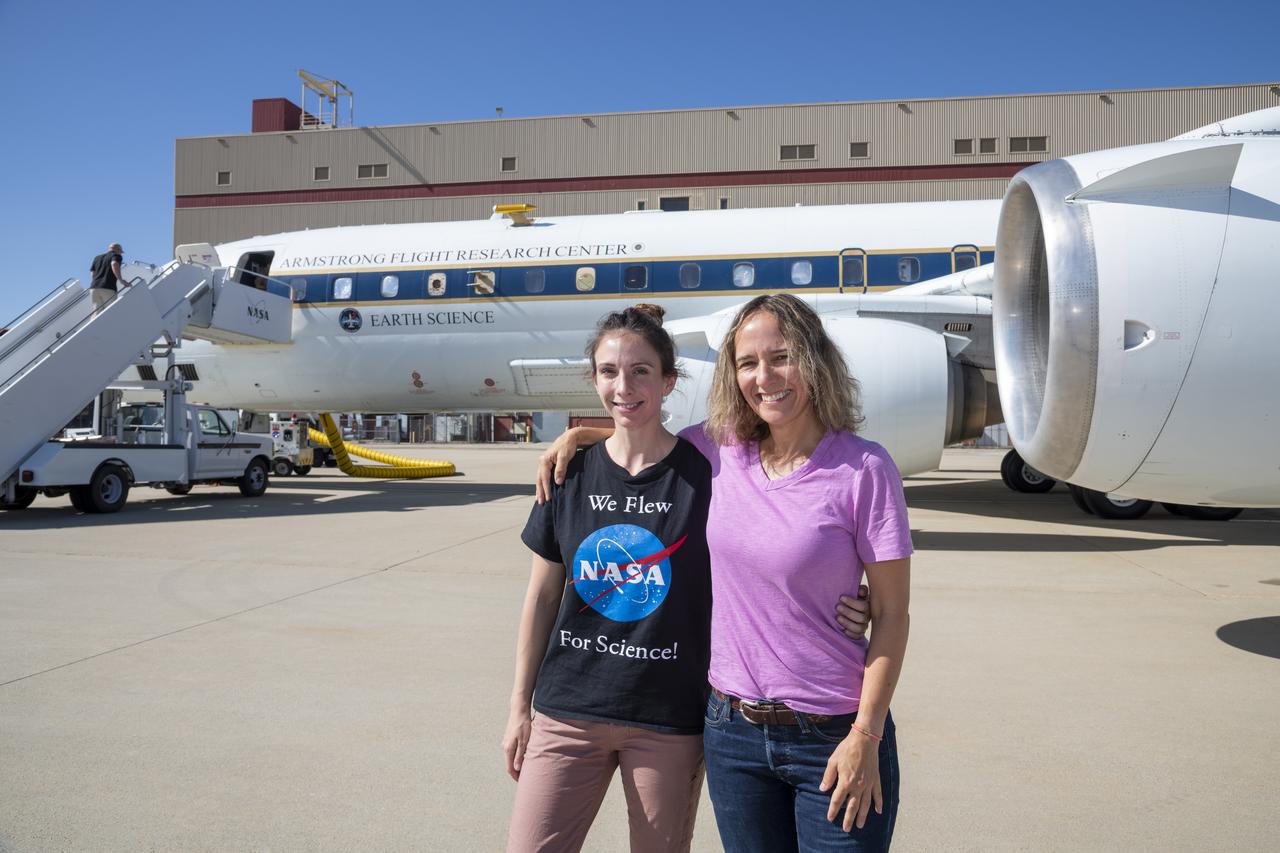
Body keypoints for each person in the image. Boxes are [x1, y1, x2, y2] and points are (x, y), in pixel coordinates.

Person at [538, 293, 911, 852]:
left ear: (814, 360)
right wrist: (580, 436)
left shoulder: (864, 468)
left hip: (833, 732)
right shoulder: (720, 451)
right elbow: (638, 435)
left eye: (781, 357)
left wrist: (866, 733)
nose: (765, 377)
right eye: (747, 363)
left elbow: (891, 615)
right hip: (732, 732)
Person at [88, 243, 126, 308]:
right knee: (111, 310)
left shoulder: (97, 258)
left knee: (96, 312)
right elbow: (114, 264)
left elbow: (92, 272)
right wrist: (121, 280)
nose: (120, 253)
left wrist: (96, 282)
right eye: (120, 252)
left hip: (94, 288)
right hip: (108, 287)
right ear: (117, 250)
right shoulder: (116, 256)